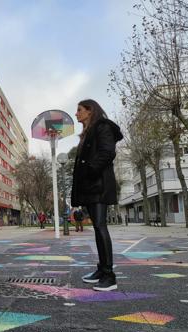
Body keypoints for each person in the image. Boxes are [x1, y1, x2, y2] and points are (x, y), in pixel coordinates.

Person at [71, 99, 123, 291]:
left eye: (79, 110)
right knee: (97, 227)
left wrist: (91, 171)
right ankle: (102, 270)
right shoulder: (87, 133)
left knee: (101, 226)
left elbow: (107, 152)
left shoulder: (102, 127)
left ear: (90, 111)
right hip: (91, 186)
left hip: (99, 185)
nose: (76, 114)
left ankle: (109, 276)